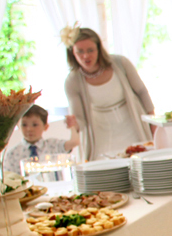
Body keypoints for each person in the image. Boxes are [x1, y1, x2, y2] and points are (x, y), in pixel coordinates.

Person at [62, 27, 154, 160]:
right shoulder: (72, 81)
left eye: (90, 50)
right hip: (101, 135)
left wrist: (153, 124)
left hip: (132, 127)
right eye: (80, 51)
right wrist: (73, 123)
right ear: (72, 53)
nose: (86, 56)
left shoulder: (120, 63)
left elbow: (142, 92)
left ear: (99, 49)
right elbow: (80, 120)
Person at [2, 104, 80, 174]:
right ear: (18, 126)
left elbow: (74, 142)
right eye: (24, 125)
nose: (29, 129)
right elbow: (9, 177)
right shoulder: (12, 154)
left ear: (45, 126)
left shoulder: (53, 145)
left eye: (35, 125)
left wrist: (72, 126)